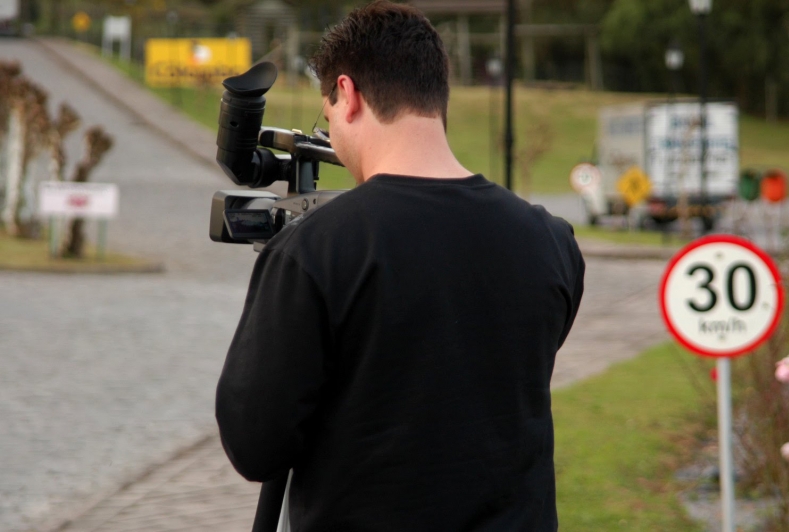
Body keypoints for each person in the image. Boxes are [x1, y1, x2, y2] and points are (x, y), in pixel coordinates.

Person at [216, 1, 585, 531]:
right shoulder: (551, 240)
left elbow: (254, 446)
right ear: (435, 94)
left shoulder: (317, 250)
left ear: (347, 95)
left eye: (326, 113)